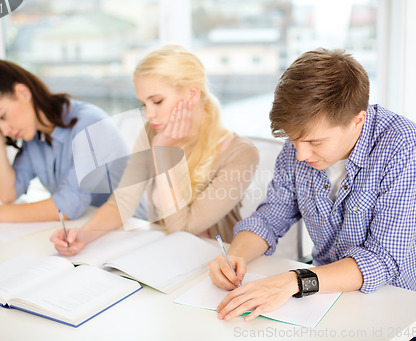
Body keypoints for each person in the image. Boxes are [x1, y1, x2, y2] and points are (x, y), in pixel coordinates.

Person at [208, 48, 416, 322]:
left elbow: (381, 260)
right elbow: (270, 218)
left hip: (400, 311)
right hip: (324, 301)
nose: (301, 155)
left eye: (315, 142)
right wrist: (235, 256)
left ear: (357, 121)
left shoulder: (408, 149)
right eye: (294, 140)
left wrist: (294, 281)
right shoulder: (300, 146)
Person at [50, 45, 259, 256]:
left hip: (215, 260)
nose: (149, 114)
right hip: (165, 253)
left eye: (157, 101)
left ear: (192, 93)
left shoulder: (240, 153)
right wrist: (83, 235)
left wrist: (163, 152)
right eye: (143, 104)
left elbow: (183, 228)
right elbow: (122, 201)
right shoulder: (154, 131)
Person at [0, 58, 129, 224]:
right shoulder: (35, 138)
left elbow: (70, 204)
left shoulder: (90, 124)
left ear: (23, 92)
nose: (5, 131)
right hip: (90, 231)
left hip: (136, 230)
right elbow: (8, 193)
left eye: (3, 116)